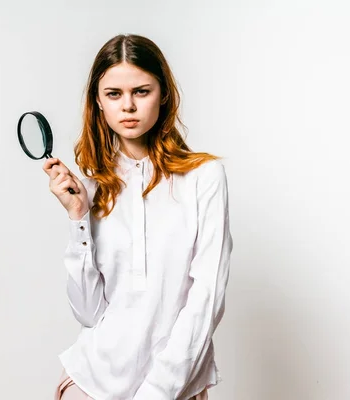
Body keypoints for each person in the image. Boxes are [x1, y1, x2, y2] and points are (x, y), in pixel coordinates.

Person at [43, 34, 233, 400]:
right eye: (114, 94)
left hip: (175, 387)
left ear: (163, 94)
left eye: (141, 91)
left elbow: (206, 298)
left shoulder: (205, 178)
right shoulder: (93, 186)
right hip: (93, 382)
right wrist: (79, 218)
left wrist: (158, 392)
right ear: (98, 101)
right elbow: (88, 313)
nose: (127, 106)